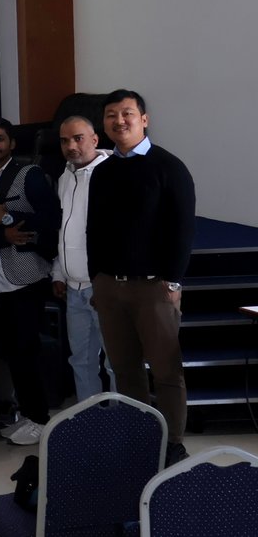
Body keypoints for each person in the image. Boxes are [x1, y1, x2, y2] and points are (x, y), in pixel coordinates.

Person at [87, 89, 196, 465]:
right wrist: (96, 278)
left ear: (144, 119)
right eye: (111, 115)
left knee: (166, 371)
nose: (119, 121)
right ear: (104, 124)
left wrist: (173, 281)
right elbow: (94, 229)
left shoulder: (169, 167)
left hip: (154, 287)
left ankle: (173, 443)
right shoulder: (102, 172)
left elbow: (183, 230)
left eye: (127, 113)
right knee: (125, 369)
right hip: (110, 287)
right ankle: (138, 439)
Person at [0, 117, 60, 446]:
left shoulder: (29, 175)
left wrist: (6, 218)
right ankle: (27, 415)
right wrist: (2, 234)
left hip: (26, 275)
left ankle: (41, 418)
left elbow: (50, 218)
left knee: (26, 349)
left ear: (12, 143)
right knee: (8, 351)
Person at [53, 115, 111, 402]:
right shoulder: (64, 176)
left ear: (95, 139)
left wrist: (107, 283)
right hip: (73, 289)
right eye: (65, 141)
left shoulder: (111, 174)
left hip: (104, 287)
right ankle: (90, 418)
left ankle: (123, 421)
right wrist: (58, 272)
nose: (71, 146)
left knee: (116, 362)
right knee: (81, 360)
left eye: (78, 138)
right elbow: (63, 230)